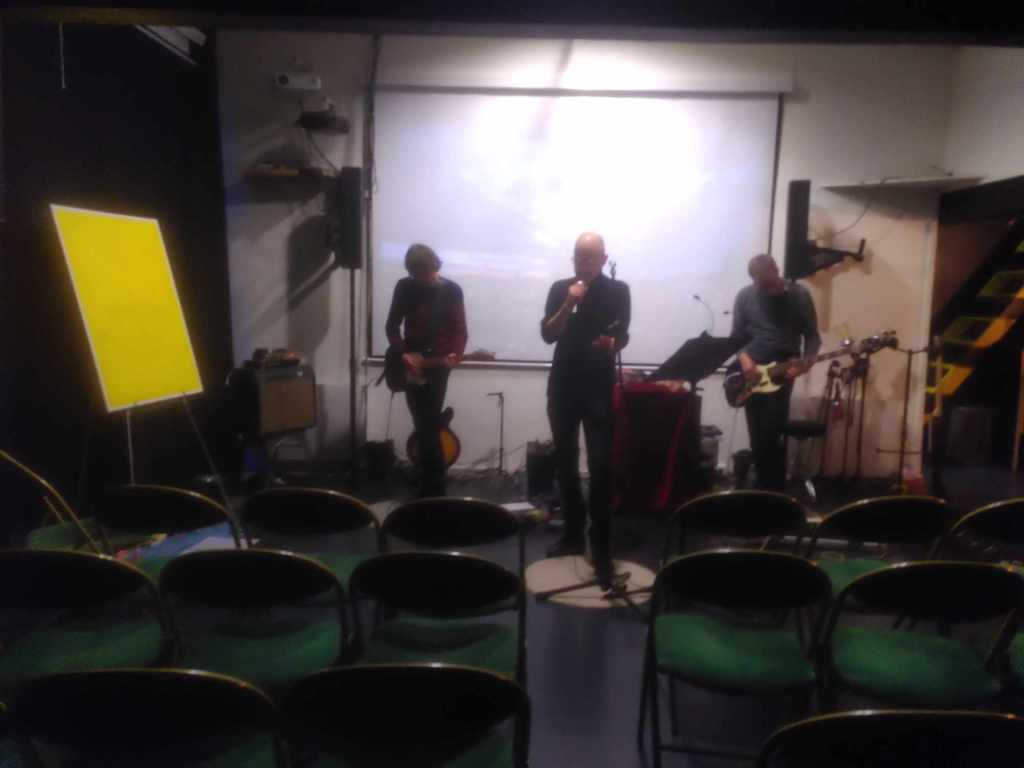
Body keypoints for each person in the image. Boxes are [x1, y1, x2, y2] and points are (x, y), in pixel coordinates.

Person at [541, 232, 630, 586]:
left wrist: (612, 342)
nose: (584, 262)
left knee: (600, 465)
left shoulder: (618, 290)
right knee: (565, 462)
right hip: (563, 385)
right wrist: (568, 302)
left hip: (598, 388)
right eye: (579, 256)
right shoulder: (559, 288)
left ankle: (602, 546)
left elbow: (622, 334)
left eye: (591, 257)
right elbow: (548, 334)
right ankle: (572, 535)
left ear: (604, 259)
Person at [730, 253, 821, 492]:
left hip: (782, 367)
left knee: (773, 431)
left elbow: (812, 337)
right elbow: (736, 338)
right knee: (757, 434)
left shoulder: (799, 295)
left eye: (769, 283)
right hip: (751, 371)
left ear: (777, 270)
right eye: (760, 285)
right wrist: (744, 359)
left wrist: (804, 365)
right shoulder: (745, 296)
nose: (766, 289)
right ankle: (761, 488)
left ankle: (774, 490)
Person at [385, 244, 467, 497]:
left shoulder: (451, 290)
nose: (423, 279)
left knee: (428, 423)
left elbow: (460, 330)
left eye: (426, 273)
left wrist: (455, 353)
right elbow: (392, 326)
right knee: (422, 423)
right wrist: (402, 353)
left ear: (434, 265)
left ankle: (432, 486)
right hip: (412, 362)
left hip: (439, 365)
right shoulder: (405, 287)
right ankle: (431, 484)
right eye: (417, 275)